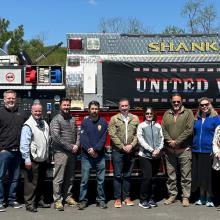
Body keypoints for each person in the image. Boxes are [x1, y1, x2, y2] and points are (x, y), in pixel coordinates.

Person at [161, 93, 194, 207]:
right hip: (170, 151)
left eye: (178, 101)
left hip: (184, 150)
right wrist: (170, 140)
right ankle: (172, 195)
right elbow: (163, 128)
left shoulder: (188, 113)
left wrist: (177, 141)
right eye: (174, 101)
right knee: (171, 175)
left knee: (186, 175)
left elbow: (189, 130)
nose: (176, 103)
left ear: (181, 101)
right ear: (171, 101)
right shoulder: (167, 113)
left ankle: (185, 197)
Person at [20, 101, 51, 212]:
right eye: (35, 111)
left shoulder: (43, 123)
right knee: (31, 183)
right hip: (33, 160)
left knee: (41, 182)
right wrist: (27, 160)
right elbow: (24, 145)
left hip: (42, 158)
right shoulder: (28, 125)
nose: (38, 113)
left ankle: (40, 201)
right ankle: (29, 204)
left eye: (39, 111)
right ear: (32, 111)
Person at [109, 98, 139, 208]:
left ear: (129, 106)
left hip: (131, 150)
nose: (124, 108)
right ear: (119, 107)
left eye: (126, 106)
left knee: (127, 175)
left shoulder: (135, 118)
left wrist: (131, 145)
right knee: (117, 175)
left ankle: (126, 198)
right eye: (122, 106)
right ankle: (117, 198)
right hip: (118, 151)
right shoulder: (114, 119)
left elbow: (137, 134)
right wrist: (122, 146)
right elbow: (112, 134)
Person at [50, 97, 80, 211]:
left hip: (72, 152)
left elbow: (77, 132)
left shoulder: (72, 119)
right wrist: (70, 147)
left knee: (70, 177)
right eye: (65, 105)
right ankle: (57, 200)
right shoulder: (56, 119)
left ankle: (67, 196)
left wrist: (77, 144)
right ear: (60, 106)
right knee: (59, 177)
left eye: (68, 105)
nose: (67, 107)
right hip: (60, 152)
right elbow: (56, 137)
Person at [78, 101, 108, 210]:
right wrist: (90, 149)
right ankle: (82, 200)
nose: (94, 111)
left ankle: (100, 200)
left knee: (101, 180)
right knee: (84, 180)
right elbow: (83, 138)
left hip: (99, 156)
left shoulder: (104, 122)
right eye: (92, 109)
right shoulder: (84, 122)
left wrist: (95, 149)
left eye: (96, 108)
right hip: (86, 156)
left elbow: (103, 139)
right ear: (89, 110)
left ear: (98, 110)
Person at [0, 90, 27, 212]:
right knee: (0, 177)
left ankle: (11, 200)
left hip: (18, 152)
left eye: (13, 98)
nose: (11, 100)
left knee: (14, 178)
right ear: (4, 99)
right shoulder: (0, 113)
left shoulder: (22, 113)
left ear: (16, 99)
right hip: (4, 151)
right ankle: (0, 201)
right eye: (8, 98)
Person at [192, 97, 220, 207]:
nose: (204, 106)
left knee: (208, 177)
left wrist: (217, 150)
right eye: (202, 105)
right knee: (199, 175)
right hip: (196, 151)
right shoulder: (196, 118)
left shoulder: (216, 118)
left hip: (209, 151)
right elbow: (193, 133)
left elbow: (219, 136)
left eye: (206, 104)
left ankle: (209, 198)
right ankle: (201, 197)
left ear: (210, 104)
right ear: (199, 106)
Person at [137, 107, 164, 209]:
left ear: (154, 114)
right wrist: (151, 150)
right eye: (147, 113)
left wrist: (158, 149)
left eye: (151, 113)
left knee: (153, 178)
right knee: (147, 178)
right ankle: (143, 200)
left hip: (156, 155)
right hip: (145, 156)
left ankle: (151, 198)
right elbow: (141, 140)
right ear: (144, 114)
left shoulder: (158, 125)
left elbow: (161, 139)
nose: (149, 115)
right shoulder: (141, 126)